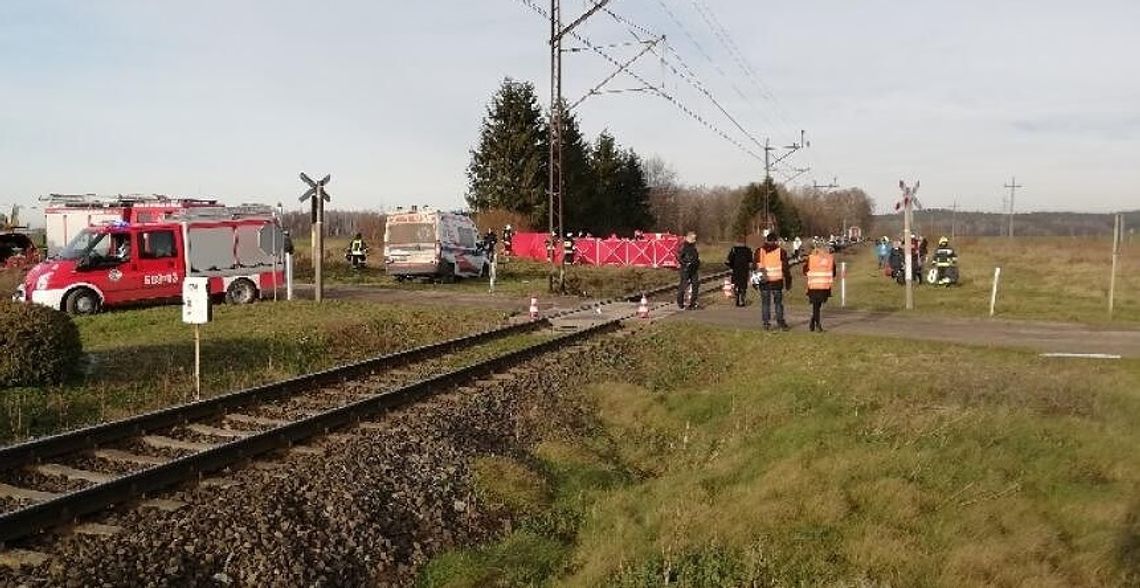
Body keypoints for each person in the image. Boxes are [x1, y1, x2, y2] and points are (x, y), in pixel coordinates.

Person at [754, 232, 791, 330]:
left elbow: (755, 267)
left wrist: (755, 282)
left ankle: (766, 324)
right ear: (776, 240)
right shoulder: (781, 252)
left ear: (766, 240)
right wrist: (788, 282)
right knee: (778, 303)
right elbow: (786, 268)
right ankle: (780, 323)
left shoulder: (759, 251)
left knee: (765, 304)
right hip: (777, 282)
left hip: (764, 282)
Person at [803, 239, 836, 332]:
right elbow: (833, 272)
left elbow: (805, 270)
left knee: (815, 306)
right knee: (818, 306)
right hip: (824, 286)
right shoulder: (830, 258)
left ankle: (814, 321)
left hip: (813, 285)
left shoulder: (811, 258)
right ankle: (817, 324)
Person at [724, 236, 753, 307]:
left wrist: (731, 266)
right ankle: (742, 299)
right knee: (743, 285)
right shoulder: (748, 250)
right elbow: (750, 260)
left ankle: (737, 299)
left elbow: (729, 260)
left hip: (736, 269)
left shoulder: (734, 249)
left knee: (736, 284)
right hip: (744, 269)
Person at [676, 231, 700, 310]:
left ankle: (693, 302)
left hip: (694, 269)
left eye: (695, 239)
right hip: (686, 269)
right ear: (688, 238)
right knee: (683, 285)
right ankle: (680, 302)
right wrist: (685, 263)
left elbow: (696, 257)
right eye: (693, 238)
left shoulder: (694, 247)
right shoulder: (683, 246)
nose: (694, 240)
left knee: (695, 285)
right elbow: (679, 257)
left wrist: (697, 262)